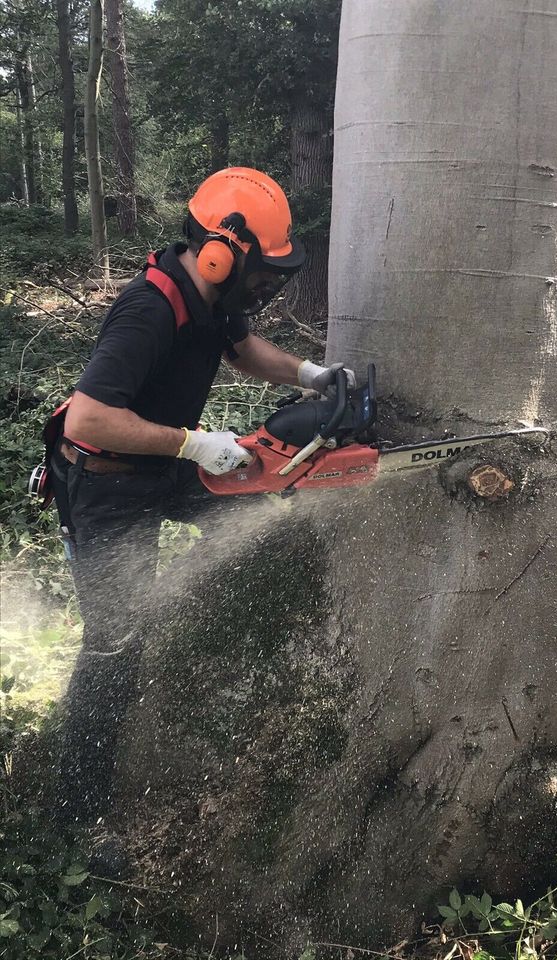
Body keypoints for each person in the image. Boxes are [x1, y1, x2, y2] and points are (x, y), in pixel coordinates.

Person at [51, 167, 355, 825]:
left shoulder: (211, 295)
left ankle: (203, 642)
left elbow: (241, 350)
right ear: (222, 251)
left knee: (260, 509)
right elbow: (87, 420)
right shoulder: (148, 309)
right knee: (113, 644)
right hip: (107, 484)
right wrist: (193, 444)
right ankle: (77, 811)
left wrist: (310, 374)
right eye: (261, 270)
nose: (264, 283)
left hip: (165, 464)